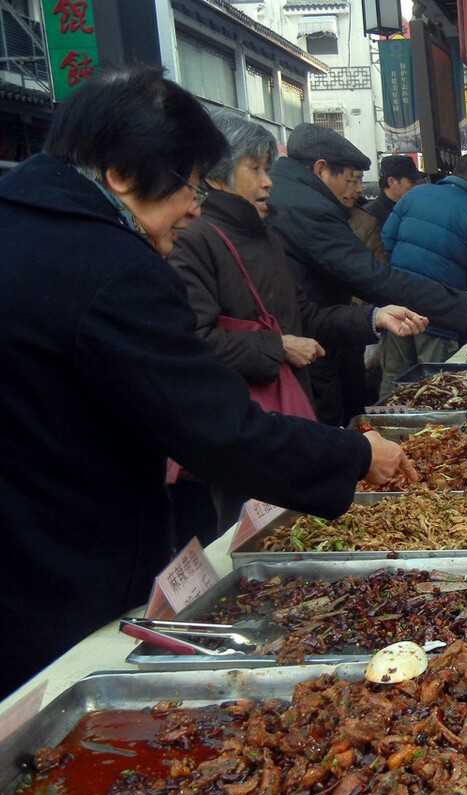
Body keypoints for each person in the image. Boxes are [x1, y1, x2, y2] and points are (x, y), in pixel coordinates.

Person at [0, 68, 419, 698]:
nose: (196, 207)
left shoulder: (19, 224)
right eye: (189, 186)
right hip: (62, 563)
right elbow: (215, 428)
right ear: (121, 175)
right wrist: (356, 453)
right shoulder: (113, 268)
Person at [170, 110, 425, 532]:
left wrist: (375, 316)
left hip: (288, 412)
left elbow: (304, 316)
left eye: (267, 169)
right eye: (254, 169)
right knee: (242, 535)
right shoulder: (196, 240)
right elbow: (192, 343)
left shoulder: (266, 235)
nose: (268, 181)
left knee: (290, 527)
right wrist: (278, 346)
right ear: (215, 175)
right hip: (236, 427)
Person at [268, 124, 467, 425]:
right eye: (352, 180)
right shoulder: (307, 207)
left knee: (391, 386)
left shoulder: (408, 198)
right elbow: (372, 275)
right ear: (321, 170)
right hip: (315, 344)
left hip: (355, 323)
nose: (357, 190)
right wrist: (459, 302)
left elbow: (385, 250)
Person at [377, 152, 467, 380]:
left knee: (395, 379)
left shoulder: (414, 195)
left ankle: (385, 416)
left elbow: (385, 242)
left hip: (397, 304)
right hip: (441, 311)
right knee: (438, 381)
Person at [363, 154, 425, 227]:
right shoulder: (369, 216)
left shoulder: (416, 209)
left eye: (418, 182)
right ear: (391, 182)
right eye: (412, 181)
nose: (417, 186)